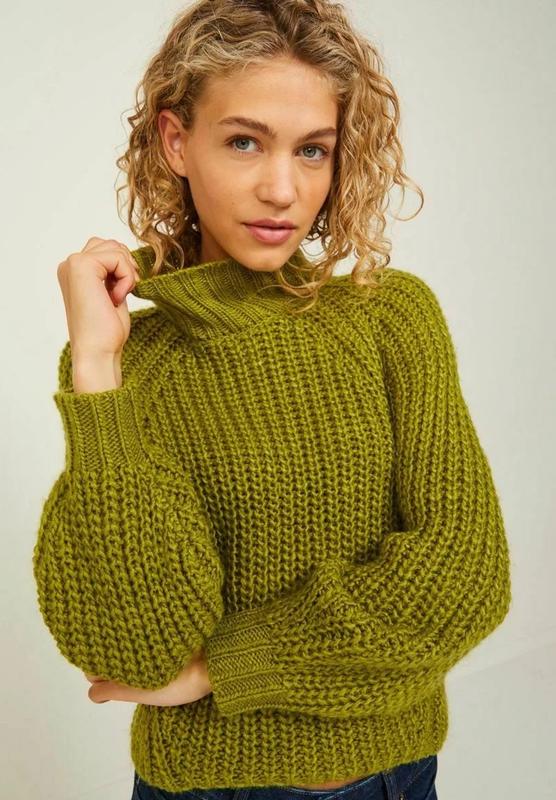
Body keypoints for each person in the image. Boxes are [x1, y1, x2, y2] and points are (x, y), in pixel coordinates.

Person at [32, 1, 512, 799]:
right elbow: (131, 650)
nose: (282, 188)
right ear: (176, 141)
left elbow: (462, 578)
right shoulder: (128, 366)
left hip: (384, 782)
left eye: (313, 150)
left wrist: (227, 665)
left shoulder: (389, 320)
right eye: (244, 141)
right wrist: (93, 365)